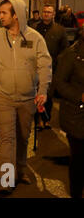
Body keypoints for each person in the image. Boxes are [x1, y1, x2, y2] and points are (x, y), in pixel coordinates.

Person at [0, 0, 52, 195]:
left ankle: (20, 170)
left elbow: (45, 66)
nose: (0, 16)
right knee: (7, 138)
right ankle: (6, 179)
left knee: (23, 137)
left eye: (4, 13)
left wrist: (43, 91)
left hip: (28, 97)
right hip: (2, 96)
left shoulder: (36, 38)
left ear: (16, 15)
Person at [55, 26, 84, 198]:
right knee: (79, 160)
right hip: (76, 117)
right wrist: (79, 96)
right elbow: (59, 83)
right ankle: (75, 193)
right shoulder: (71, 55)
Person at [35, 4, 69, 129]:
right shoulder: (35, 28)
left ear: (53, 14)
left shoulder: (59, 30)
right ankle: (37, 120)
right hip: (35, 68)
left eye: (49, 12)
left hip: (51, 68)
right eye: (44, 12)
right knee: (35, 93)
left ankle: (46, 118)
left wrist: (57, 62)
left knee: (47, 95)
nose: (46, 14)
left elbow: (65, 50)